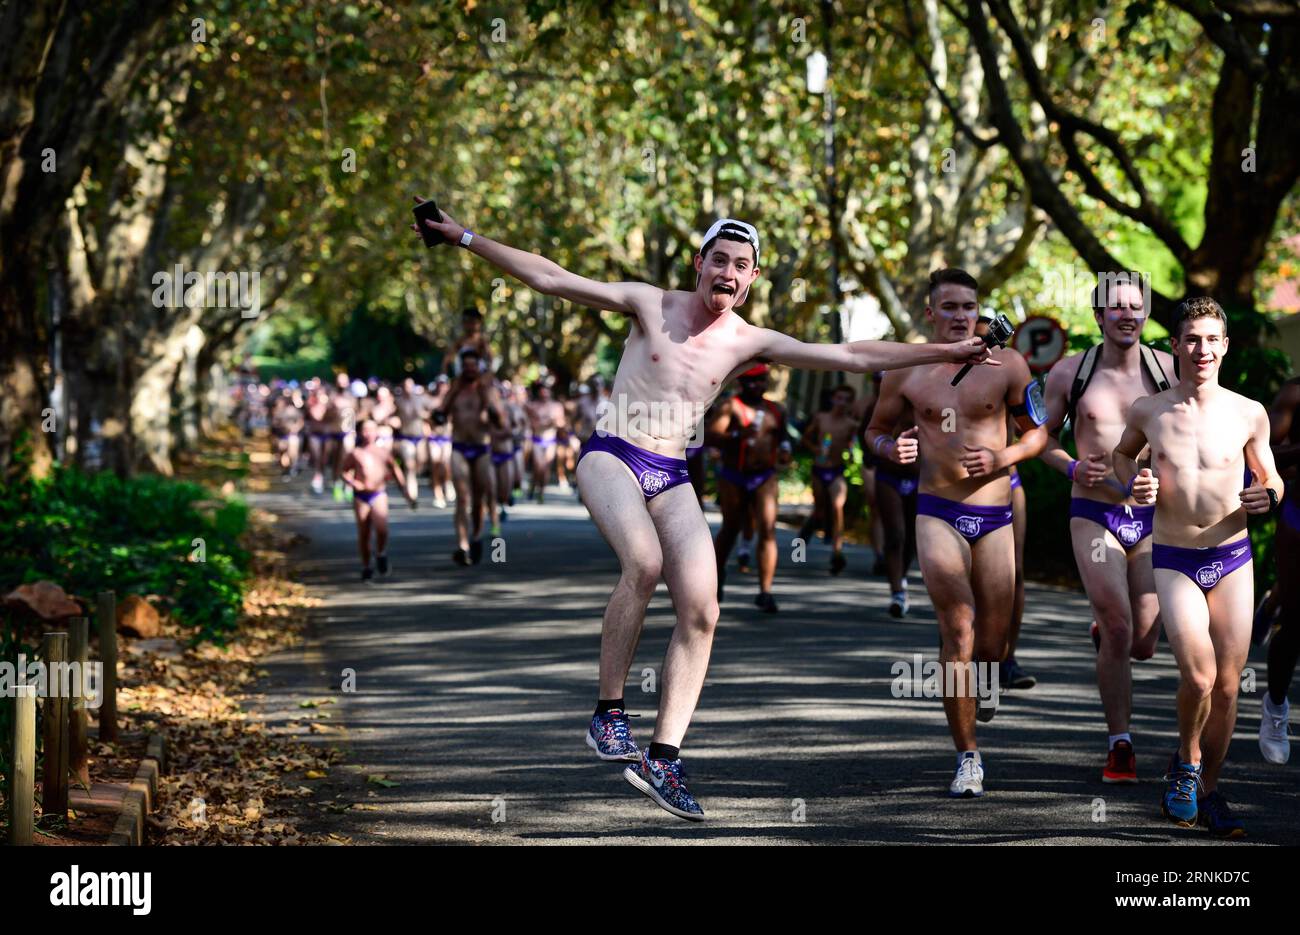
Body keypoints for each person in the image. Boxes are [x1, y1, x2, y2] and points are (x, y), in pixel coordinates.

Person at [413, 203, 993, 821]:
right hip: (612, 452)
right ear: (699, 264)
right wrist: (465, 237)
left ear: (752, 279)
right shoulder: (648, 303)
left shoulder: (750, 339)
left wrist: (945, 352)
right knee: (643, 562)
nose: (729, 273)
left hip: (672, 473)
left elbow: (853, 356)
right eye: (719, 260)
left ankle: (664, 756)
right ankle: (608, 714)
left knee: (704, 608)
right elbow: (552, 278)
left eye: (742, 267)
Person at [866, 269, 1047, 798]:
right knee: (959, 630)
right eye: (949, 307)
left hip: (994, 516)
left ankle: (988, 678)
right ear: (930, 313)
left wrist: (1003, 455)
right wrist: (888, 449)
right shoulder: (906, 370)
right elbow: (874, 431)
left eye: (969, 306)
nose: (962, 315)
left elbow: (1039, 435)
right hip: (937, 510)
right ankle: (968, 756)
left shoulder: (1009, 365)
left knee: (991, 641)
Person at [1113, 296, 1282, 837]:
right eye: (1191, 339)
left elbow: (1270, 477)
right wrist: (1133, 481)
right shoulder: (1150, 410)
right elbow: (1123, 455)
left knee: (1230, 687)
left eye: (1212, 339)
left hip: (1232, 556)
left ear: (1225, 346)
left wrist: (1268, 497)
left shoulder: (1249, 412)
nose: (1201, 349)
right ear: (1175, 346)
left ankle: (1209, 789)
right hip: (1176, 557)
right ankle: (1186, 760)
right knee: (1201, 675)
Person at [1039, 275, 1174, 780]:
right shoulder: (1071, 373)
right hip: (1094, 513)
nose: (1127, 315)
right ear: (1098, 316)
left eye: (1136, 307)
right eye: (1115, 307)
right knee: (1120, 628)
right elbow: (1041, 441)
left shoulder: (1168, 370)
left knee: (1141, 642)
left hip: (1154, 517)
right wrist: (1073, 467)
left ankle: (1110, 631)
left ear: (1146, 314)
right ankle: (1121, 744)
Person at [710, 365, 792, 611]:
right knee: (731, 527)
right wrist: (737, 435)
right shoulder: (730, 406)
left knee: (767, 529)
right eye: (751, 382)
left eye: (761, 381)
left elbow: (784, 438)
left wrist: (786, 452)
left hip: (764, 475)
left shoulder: (775, 410)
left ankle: (765, 591)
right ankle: (715, 578)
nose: (756, 386)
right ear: (741, 384)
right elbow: (711, 435)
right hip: (734, 475)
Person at [1260, 377, 1300, 764]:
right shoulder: (1294, 393)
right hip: (1298, 518)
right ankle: (1275, 705)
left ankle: (1270, 603)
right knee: (1296, 620)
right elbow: (1264, 456)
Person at [442, 348, 507, 565]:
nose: (470, 369)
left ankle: (477, 536)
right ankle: (462, 545)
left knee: (479, 499)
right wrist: (438, 415)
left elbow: (501, 423)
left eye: (473, 365)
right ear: (462, 367)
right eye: (466, 365)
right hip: (459, 447)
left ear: (478, 366)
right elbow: (440, 415)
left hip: (481, 448)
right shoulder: (455, 388)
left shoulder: (487, 390)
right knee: (462, 498)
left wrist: (492, 411)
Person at [340, 419, 415, 581]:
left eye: (372, 429)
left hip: (378, 494)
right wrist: (354, 483)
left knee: (382, 529)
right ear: (360, 433)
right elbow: (344, 472)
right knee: (364, 533)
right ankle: (366, 566)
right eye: (365, 430)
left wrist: (406, 493)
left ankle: (381, 553)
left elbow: (395, 470)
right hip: (361, 496)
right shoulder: (356, 453)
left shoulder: (383, 452)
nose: (368, 433)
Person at [800, 383, 858, 575]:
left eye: (846, 400)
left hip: (836, 471)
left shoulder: (851, 424)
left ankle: (837, 552)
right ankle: (803, 536)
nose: (842, 403)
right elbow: (805, 439)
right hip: (819, 469)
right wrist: (815, 448)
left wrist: (850, 453)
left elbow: (852, 445)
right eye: (839, 398)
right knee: (819, 512)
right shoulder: (820, 418)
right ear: (833, 399)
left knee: (837, 507)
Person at [525, 380, 566, 503]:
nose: (544, 393)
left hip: (551, 441)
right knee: (538, 467)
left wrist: (558, 424)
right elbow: (533, 425)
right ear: (539, 393)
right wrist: (547, 423)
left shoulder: (557, 406)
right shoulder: (533, 406)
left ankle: (541, 492)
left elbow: (562, 423)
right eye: (542, 391)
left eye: (546, 391)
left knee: (546, 467)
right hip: (537, 440)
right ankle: (533, 486)